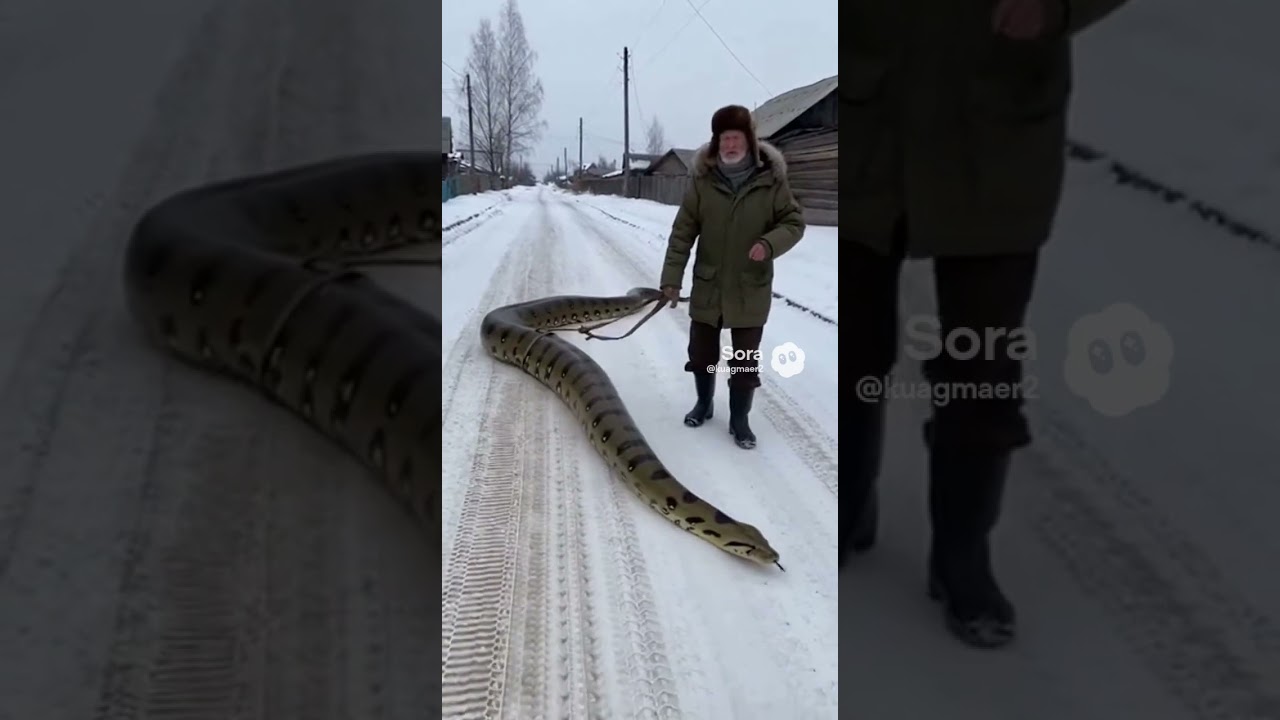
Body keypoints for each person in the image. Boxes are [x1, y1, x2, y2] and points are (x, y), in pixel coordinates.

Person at [842, 0, 1132, 649]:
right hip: (867, 117)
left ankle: (962, 553)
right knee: (851, 344)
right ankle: (849, 503)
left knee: (982, 363)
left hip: (996, 127)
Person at [658, 104, 806, 450]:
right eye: (724, 138)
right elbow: (682, 233)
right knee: (702, 356)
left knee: (744, 362)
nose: (730, 145)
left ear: (749, 140)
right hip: (709, 285)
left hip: (749, 287)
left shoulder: (771, 181)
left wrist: (769, 244)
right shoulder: (703, 182)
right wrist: (671, 280)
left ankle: (740, 419)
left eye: (736, 138)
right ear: (716, 142)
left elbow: (793, 222)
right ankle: (704, 403)